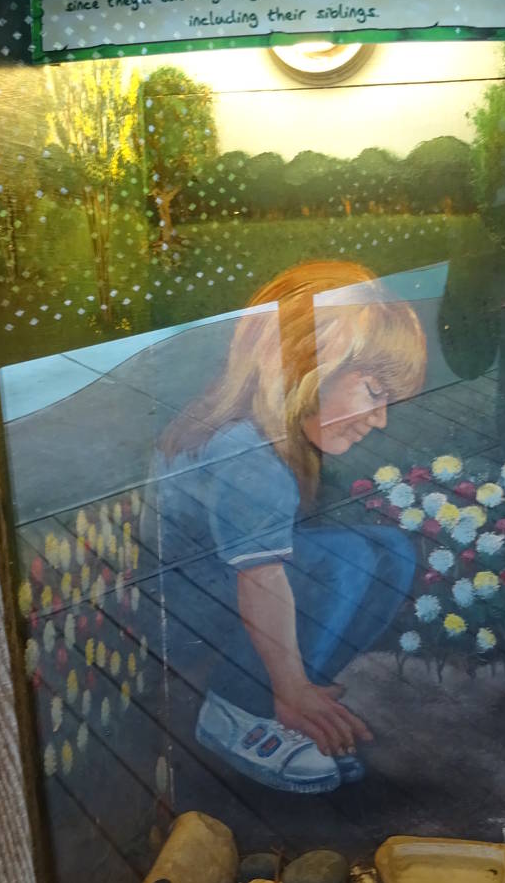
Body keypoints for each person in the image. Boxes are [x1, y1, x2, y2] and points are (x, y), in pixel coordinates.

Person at [146, 260, 427, 793]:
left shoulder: (264, 435)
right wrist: (290, 684)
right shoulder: (245, 453)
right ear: (308, 366)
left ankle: (290, 695)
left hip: (210, 590)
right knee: (350, 563)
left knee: (392, 551)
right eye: (373, 390)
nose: (381, 417)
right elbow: (259, 579)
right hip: (182, 609)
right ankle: (243, 708)